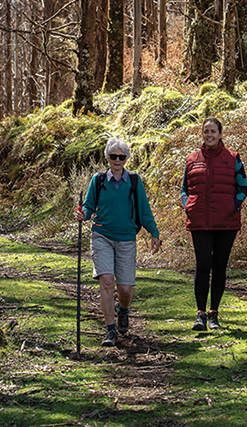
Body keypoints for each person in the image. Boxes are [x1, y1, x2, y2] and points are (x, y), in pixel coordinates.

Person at [76, 137, 162, 347]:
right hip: (102, 236)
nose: (117, 160)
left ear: (126, 159)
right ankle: (110, 329)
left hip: (126, 239)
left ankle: (123, 310)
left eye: (121, 157)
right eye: (113, 156)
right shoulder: (98, 180)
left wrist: (154, 232)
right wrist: (83, 213)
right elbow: (88, 206)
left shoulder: (134, 181)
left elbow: (144, 210)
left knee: (124, 289)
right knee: (106, 281)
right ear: (107, 157)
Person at [181, 117, 247, 331]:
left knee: (219, 266)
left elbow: (243, 188)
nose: (209, 135)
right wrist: (188, 206)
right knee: (202, 265)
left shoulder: (233, 158)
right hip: (199, 221)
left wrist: (232, 207)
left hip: (226, 222)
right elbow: (184, 189)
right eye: (206, 131)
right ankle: (200, 314)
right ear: (202, 134)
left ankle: (214, 314)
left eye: (213, 131)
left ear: (220, 134)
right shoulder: (191, 159)